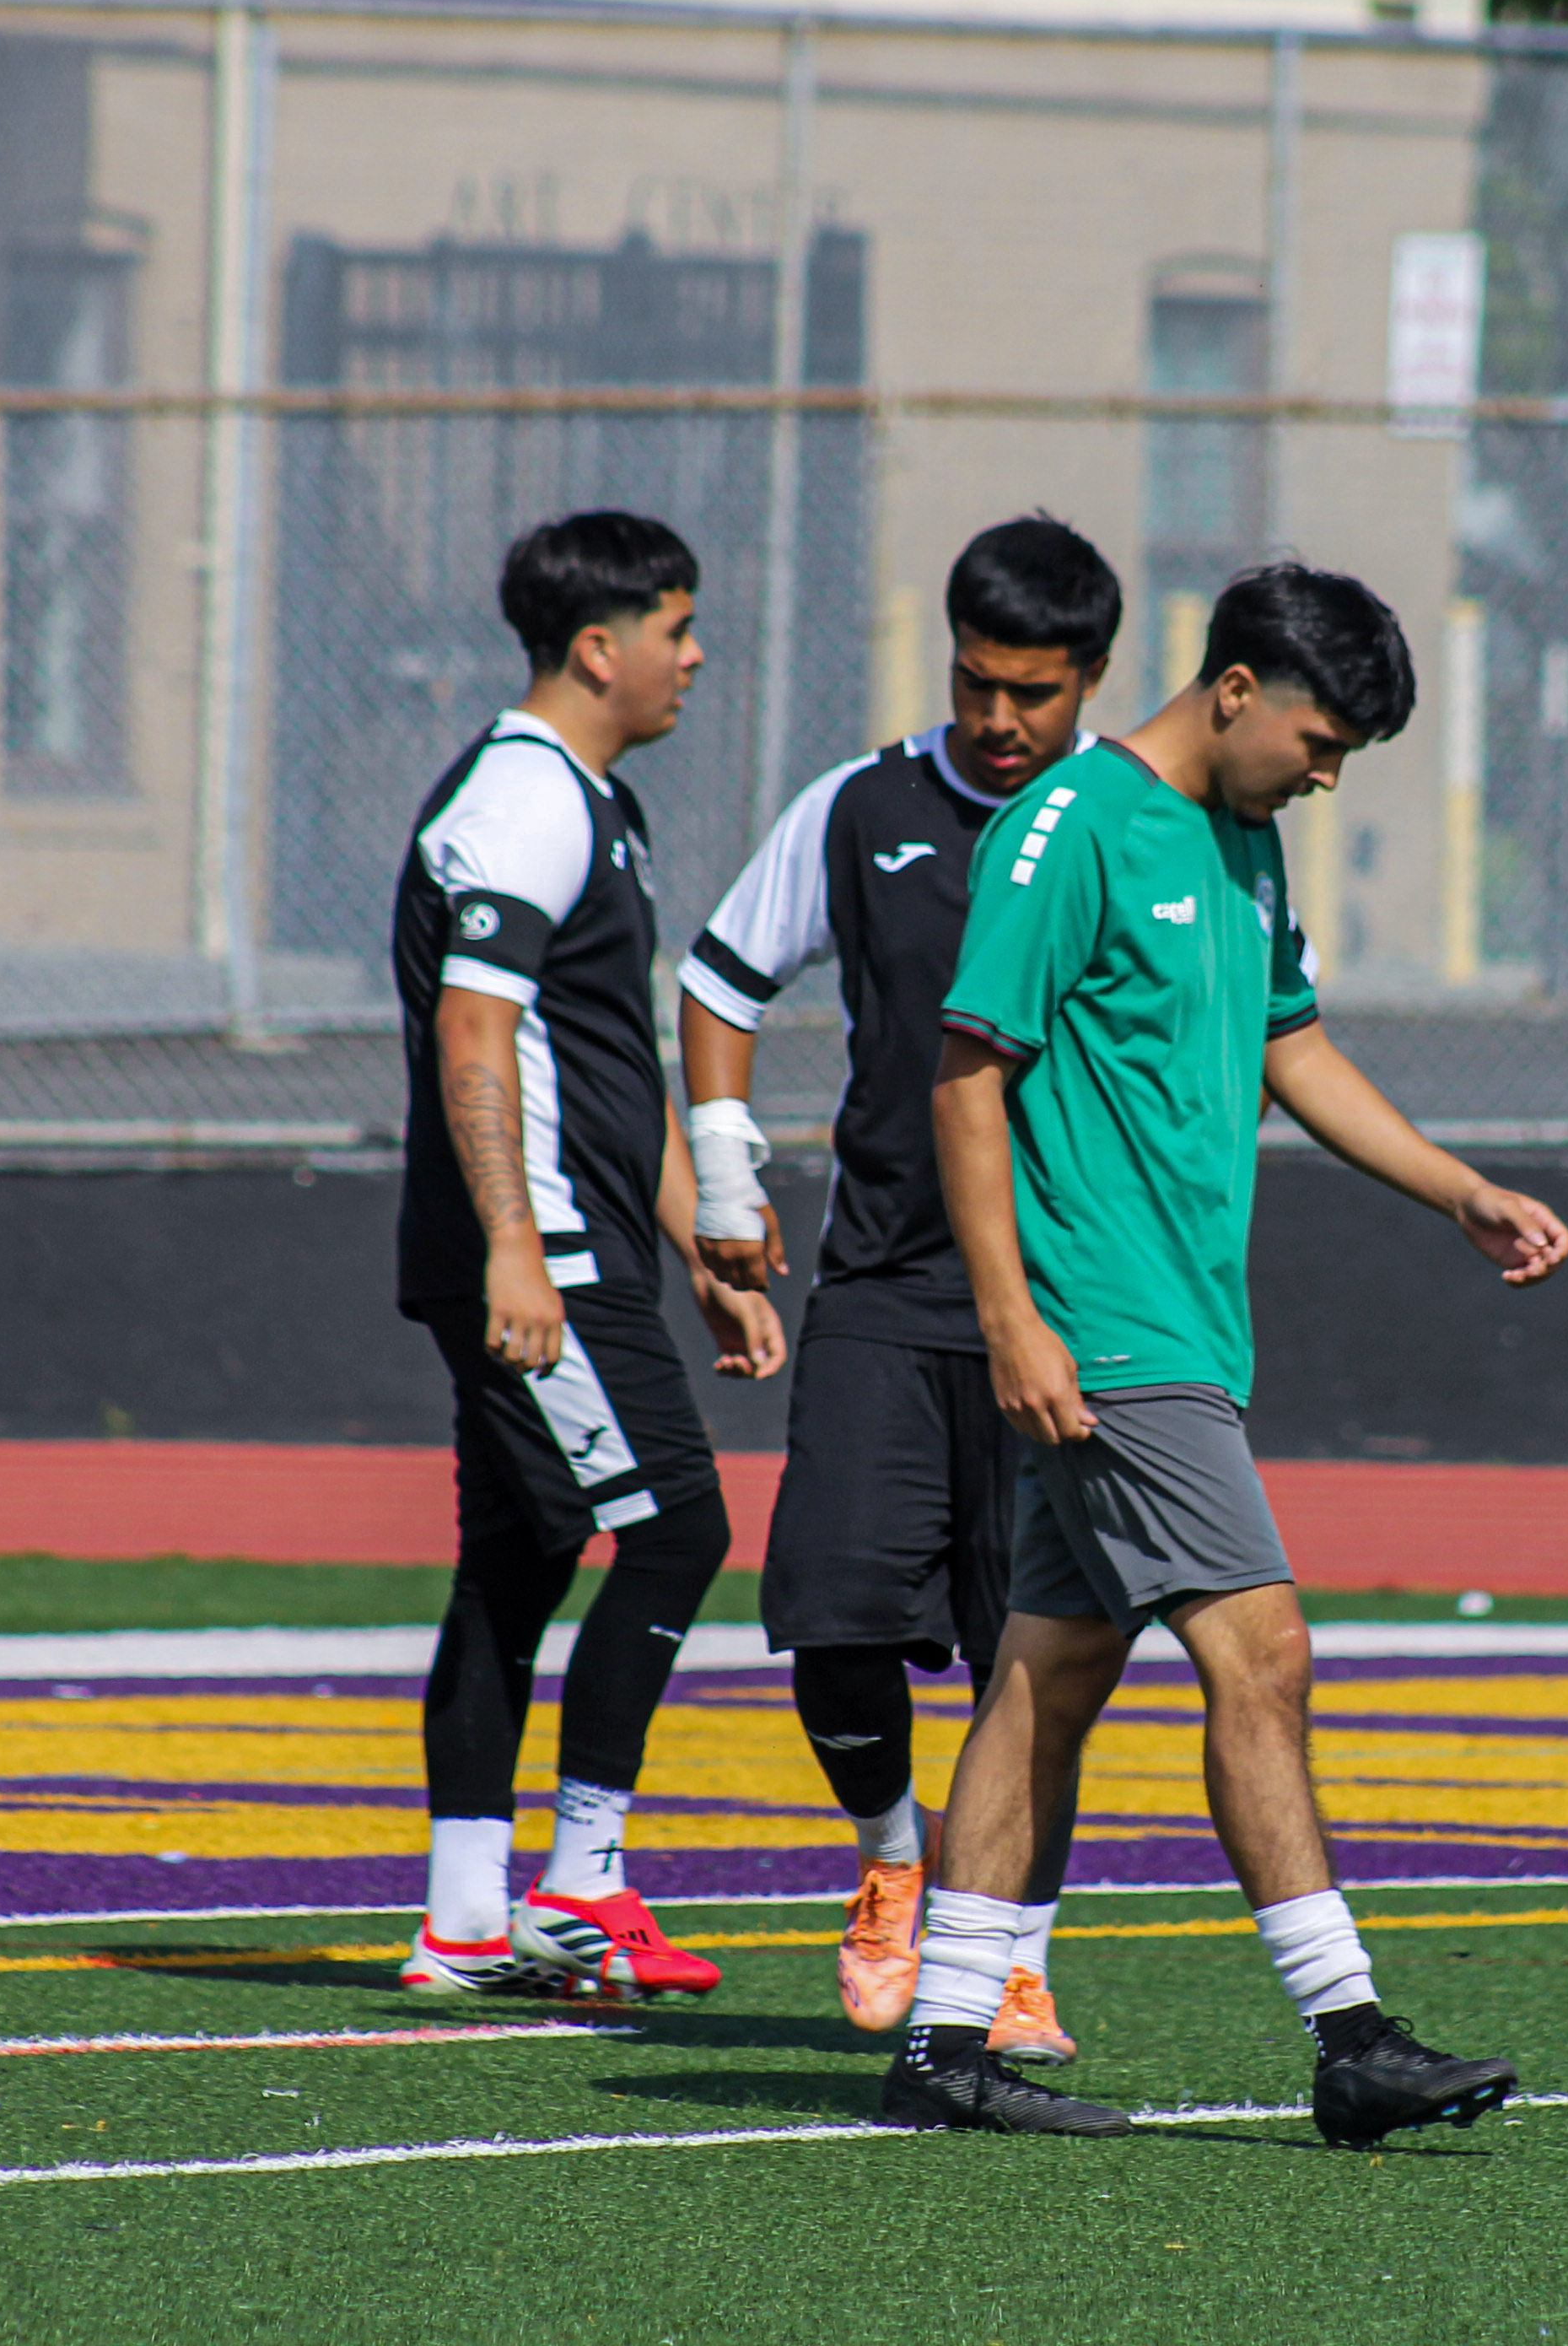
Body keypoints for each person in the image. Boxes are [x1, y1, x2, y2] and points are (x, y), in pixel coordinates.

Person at [878, 563, 1568, 2145]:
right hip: (1108, 1332)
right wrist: (1012, 1320)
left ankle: (938, 2039)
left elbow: (1292, 1041)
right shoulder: (1070, 826)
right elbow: (967, 1077)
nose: (1327, 776)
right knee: (1259, 1652)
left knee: (1046, 1676)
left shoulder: (1243, 844)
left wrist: (1455, 1187)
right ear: (1239, 688)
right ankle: (1349, 2028)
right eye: (1321, 741)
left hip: (1179, 1322)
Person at [678, 516, 1122, 2062]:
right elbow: (723, 975)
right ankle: (890, 1859)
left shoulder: (1132, 824)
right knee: (834, 1610)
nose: (1002, 719)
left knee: (1037, 1659)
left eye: (1038, 692)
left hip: (1067, 1305)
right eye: (979, 682)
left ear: (1092, 683)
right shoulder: (865, 803)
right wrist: (724, 1190)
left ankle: (1010, 1960)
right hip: (880, 1285)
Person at [391, 510, 786, 2001]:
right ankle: (580, 1884)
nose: (694, 657)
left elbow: (606, 1067)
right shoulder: (524, 800)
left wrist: (705, 1246)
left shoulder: (592, 800)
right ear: (598, 645)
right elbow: (474, 1031)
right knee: (678, 1528)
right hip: (539, 1248)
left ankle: (464, 1921)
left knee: (523, 1554)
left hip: (575, 1237)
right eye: (677, 629)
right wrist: (515, 1248)